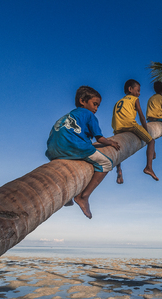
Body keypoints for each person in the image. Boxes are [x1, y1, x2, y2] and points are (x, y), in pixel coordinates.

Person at [46, 86, 120, 219]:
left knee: (68, 166)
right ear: (82, 101)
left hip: (53, 149)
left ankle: (68, 196)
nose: (96, 108)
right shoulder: (89, 115)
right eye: (95, 104)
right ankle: (83, 196)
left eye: (98, 106)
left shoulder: (68, 115)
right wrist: (111, 143)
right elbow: (99, 138)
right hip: (73, 145)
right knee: (106, 163)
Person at [112, 79, 158, 184]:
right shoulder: (134, 99)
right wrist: (147, 132)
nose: (139, 93)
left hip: (117, 127)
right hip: (130, 125)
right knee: (151, 141)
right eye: (137, 90)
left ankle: (119, 170)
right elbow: (141, 116)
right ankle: (149, 167)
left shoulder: (118, 102)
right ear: (130, 89)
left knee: (118, 147)